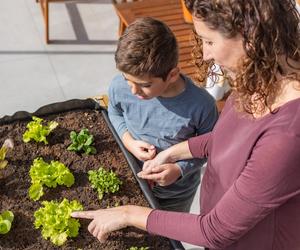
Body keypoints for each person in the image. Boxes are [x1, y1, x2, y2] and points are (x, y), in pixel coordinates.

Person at [71, 0, 300, 249]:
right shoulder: (260, 77)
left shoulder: (287, 137)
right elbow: (228, 139)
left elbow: (214, 230)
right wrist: (174, 152)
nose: (205, 54)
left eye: (210, 41)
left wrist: (128, 214)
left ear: (251, 38)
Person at [107, 17, 218, 212]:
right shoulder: (120, 86)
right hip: (131, 180)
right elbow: (114, 111)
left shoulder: (201, 105)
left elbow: (210, 147)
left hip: (175, 195)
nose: (133, 91)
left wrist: (179, 170)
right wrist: (128, 141)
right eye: (128, 80)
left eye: (145, 85)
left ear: (172, 75)